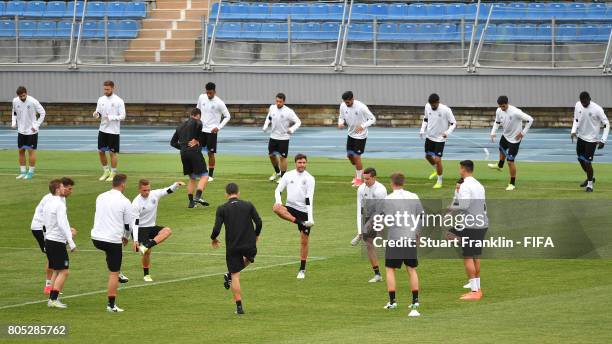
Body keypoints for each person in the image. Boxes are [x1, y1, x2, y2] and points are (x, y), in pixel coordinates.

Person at [211, 183, 262, 315]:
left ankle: (239, 307)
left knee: (235, 275)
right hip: (249, 243)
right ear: (238, 193)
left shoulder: (222, 208)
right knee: (249, 259)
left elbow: (217, 229)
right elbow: (259, 222)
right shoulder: (248, 205)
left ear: (226, 194)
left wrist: (213, 238)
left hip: (232, 246)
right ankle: (229, 274)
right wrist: (256, 234)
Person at [376, 172, 422, 317]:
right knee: (412, 269)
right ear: (403, 182)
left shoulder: (388, 199)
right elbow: (421, 216)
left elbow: (382, 219)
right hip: (409, 237)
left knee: (390, 270)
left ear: (391, 183)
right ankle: (415, 301)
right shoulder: (413, 196)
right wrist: (417, 233)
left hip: (395, 238)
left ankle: (392, 301)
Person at [91, 174, 134, 312]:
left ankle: (118, 271)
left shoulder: (100, 196)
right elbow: (128, 226)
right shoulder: (125, 201)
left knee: (110, 253)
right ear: (123, 185)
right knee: (113, 273)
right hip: (112, 240)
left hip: (96, 238)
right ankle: (111, 305)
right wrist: (126, 237)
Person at [447, 160, 488, 301]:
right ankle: (478, 287)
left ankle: (474, 291)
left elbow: (463, 205)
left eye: (460, 168)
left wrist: (451, 208)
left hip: (470, 225)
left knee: (468, 256)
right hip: (482, 223)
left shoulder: (465, 185)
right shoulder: (479, 185)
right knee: (475, 255)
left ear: (463, 169)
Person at [132, 179, 184, 282]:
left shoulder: (154, 194)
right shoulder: (136, 203)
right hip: (141, 228)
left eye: (148, 190)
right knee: (147, 253)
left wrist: (176, 184)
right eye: (144, 190)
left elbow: (167, 191)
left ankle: (146, 246)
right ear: (139, 190)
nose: (147, 192)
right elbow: (135, 223)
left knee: (167, 231)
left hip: (151, 226)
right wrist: (135, 240)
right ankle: (146, 275)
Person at [273, 153, 315, 279]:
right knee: (276, 208)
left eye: (304, 162)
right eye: (299, 162)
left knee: (304, 241)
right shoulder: (288, 175)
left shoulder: (310, 179)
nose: (302, 165)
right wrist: (279, 201)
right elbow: (278, 190)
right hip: (290, 207)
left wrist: (310, 217)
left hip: (304, 210)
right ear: (295, 163)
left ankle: (302, 269)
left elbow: (309, 199)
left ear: (306, 163)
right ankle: (299, 222)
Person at [31, 177, 74, 295]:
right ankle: (49, 286)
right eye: (69, 188)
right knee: (53, 258)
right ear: (60, 188)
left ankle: (51, 287)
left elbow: (60, 219)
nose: (71, 191)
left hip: (48, 229)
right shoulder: (51, 199)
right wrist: (68, 236)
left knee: (54, 259)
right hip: (41, 228)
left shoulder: (60, 198)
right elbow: (49, 219)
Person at [43, 179, 77, 309]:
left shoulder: (48, 204)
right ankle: (53, 299)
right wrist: (71, 242)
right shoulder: (59, 205)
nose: (65, 189)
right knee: (64, 271)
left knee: (57, 271)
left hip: (50, 241)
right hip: (57, 242)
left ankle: (52, 298)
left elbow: (45, 224)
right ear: (58, 189)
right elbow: (63, 224)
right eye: (62, 187)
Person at [488, 96, 534, 191]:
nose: (502, 108)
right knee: (501, 149)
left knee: (510, 162)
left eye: (503, 106)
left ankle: (512, 183)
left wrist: (522, 133)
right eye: (500, 106)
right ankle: (500, 165)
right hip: (505, 136)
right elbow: (497, 122)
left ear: (507, 103)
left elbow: (530, 120)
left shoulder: (516, 112)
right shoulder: (498, 110)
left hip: (515, 140)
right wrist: (493, 132)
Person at [351, 167, 387, 283]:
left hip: (383, 214)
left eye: (367, 179)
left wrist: (366, 227)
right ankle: (377, 275)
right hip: (369, 214)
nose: (365, 181)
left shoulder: (380, 190)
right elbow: (359, 210)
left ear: (374, 178)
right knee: (368, 243)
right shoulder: (361, 189)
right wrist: (360, 230)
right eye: (364, 179)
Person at [170, 108, 210, 208]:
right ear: (198, 115)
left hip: (183, 153)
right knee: (204, 175)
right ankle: (197, 197)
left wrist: (183, 147)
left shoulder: (180, 126)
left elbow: (172, 143)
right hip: (194, 152)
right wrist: (196, 139)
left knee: (192, 178)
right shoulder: (197, 122)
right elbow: (199, 124)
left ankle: (191, 203)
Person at [571, 91, 609, 192]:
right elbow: (576, 119)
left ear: (589, 99)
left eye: (585, 102)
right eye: (582, 102)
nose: (584, 104)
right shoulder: (578, 105)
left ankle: (590, 185)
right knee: (580, 159)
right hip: (581, 137)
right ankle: (590, 178)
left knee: (588, 162)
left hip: (592, 140)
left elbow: (606, 124)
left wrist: (603, 140)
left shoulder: (597, 109)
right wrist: (573, 131)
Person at [338, 91, 376, 187]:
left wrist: (363, 126)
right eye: (345, 102)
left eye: (348, 102)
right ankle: (358, 173)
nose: (347, 104)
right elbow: (341, 116)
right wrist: (340, 123)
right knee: (350, 156)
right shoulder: (343, 106)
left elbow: (372, 119)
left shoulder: (361, 107)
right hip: (350, 134)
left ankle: (359, 179)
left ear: (352, 99)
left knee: (356, 156)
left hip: (361, 135)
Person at [419, 93, 456, 189]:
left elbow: (453, 123)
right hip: (430, 136)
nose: (432, 106)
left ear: (438, 102)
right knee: (427, 156)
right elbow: (426, 118)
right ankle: (436, 170)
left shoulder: (446, 110)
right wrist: (422, 130)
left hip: (440, 139)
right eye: (431, 104)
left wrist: (447, 132)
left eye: (434, 105)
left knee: (437, 160)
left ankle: (439, 180)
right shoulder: (427, 106)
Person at [262, 93, 301, 183]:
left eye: (280, 101)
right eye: (277, 101)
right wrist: (265, 126)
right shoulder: (272, 108)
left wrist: (292, 129)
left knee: (282, 158)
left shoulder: (289, 111)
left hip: (284, 138)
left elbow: (298, 122)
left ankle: (283, 177)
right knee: (271, 156)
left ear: (284, 101)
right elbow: (269, 117)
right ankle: (277, 172)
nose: (278, 103)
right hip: (273, 136)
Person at [196, 82, 231, 182]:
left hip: (212, 131)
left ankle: (210, 175)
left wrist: (218, 127)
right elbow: (197, 110)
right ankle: (202, 171)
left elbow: (228, 116)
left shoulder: (219, 103)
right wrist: (195, 123)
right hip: (201, 130)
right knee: (197, 151)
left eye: (210, 93)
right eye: (207, 93)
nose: (209, 95)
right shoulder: (201, 97)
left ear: (215, 92)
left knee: (210, 153)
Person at [93, 80, 126, 182]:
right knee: (101, 151)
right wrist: (96, 114)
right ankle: (106, 171)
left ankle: (113, 173)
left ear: (112, 88)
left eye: (107, 89)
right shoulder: (101, 99)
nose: (105, 91)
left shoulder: (118, 101)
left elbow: (123, 116)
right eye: (104, 89)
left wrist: (111, 117)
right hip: (103, 130)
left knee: (112, 153)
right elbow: (98, 112)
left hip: (113, 131)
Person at [11, 86, 46, 180]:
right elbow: (14, 112)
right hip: (21, 130)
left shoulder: (33, 101)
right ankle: (22, 172)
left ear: (26, 93)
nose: (22, 97)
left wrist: (36, 125)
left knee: (30, 151)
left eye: (23, 95)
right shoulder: (15, 101)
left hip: (31, 131)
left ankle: (30, 173)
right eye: (20, 96)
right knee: (21, 151)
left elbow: (43, 113)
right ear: (17, 95)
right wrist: (13, 122)